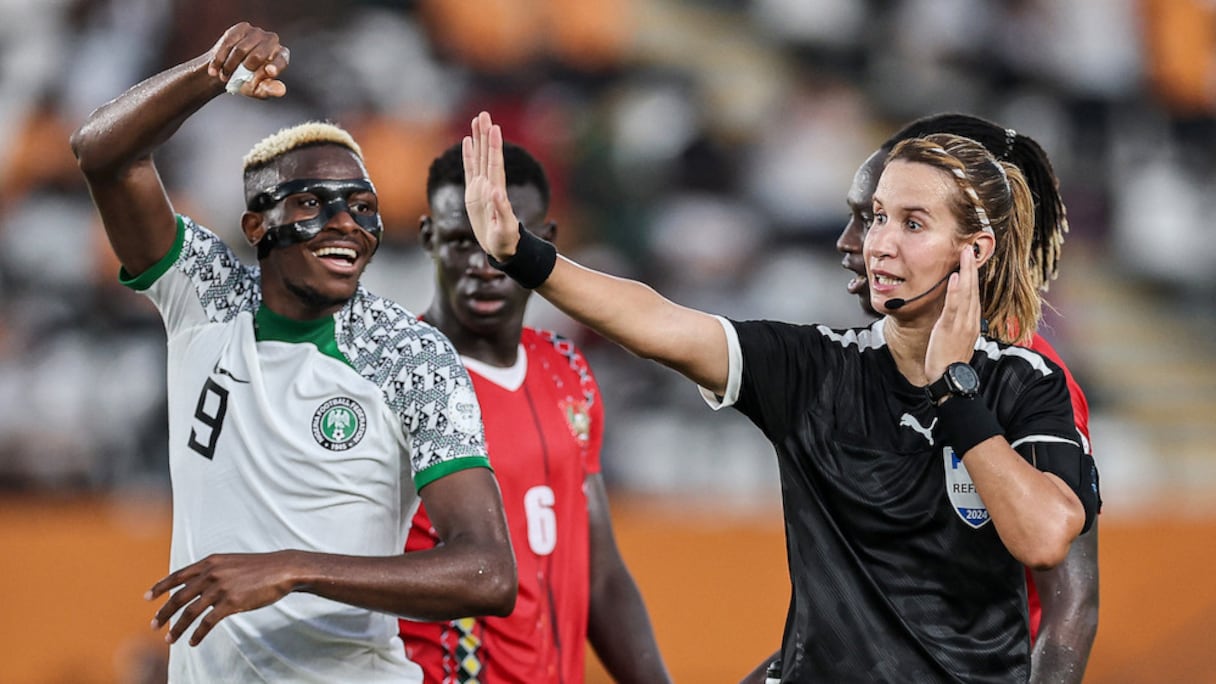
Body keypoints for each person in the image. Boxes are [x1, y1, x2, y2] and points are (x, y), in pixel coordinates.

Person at [461, 111, 1100, 682]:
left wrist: (953, 391)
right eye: (877, 217)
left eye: (912, 223)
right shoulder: (812, 365)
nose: (873, 243)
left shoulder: (1029, 382)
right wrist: (522, 254)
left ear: (974, 250)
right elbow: (658, 323)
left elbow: (1048, 546)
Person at [69, 23, 516, 683]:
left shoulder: (410, 355)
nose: (346, 225)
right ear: (258, 226)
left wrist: (292, 568)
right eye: (314, 203)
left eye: (363, 208)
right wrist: (211, 71)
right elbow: (102, 153)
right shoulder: (206, 300)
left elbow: (487, 572)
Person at [745, 113, 1101, 684]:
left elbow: (1071, 608)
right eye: (871, 218)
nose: (853, 243)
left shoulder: (1030, 378)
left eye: (887, 220)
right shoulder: (872, 364)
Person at [397, 141, 671, 683]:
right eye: (462, 240)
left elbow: (599, 571)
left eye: (503, 243)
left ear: (544, 242)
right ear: (429, 237)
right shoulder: (399, 375)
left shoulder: (566, 367)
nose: (484, 267)